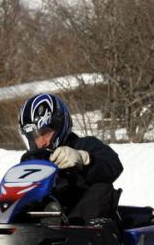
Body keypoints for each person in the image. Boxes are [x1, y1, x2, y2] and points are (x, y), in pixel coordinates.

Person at [17, 93, 123, 224]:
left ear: (59, 125)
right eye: (34, 136)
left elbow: (114, 165)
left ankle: (69, 229)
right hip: (40, 219)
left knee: (102, 189)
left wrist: (84, 159)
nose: (41, 142)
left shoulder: (84, 144)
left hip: (79, 220)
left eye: (44, 133)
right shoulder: (32, 160)